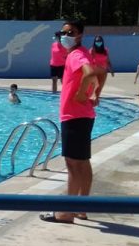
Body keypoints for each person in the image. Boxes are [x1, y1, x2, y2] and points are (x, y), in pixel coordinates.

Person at [41, 20, 102, 224]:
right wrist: (95, 94)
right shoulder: (82, 53)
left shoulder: (76, 55)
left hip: (74, 116)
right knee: (83, 163)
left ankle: (67, 212)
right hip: (83, 115)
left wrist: (81, 95)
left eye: (71, 32)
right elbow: (99, 73)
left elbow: (91, 74)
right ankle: (82, 207)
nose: (65, 35)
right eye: (63, 32)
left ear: (80, 35)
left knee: (73, 164)